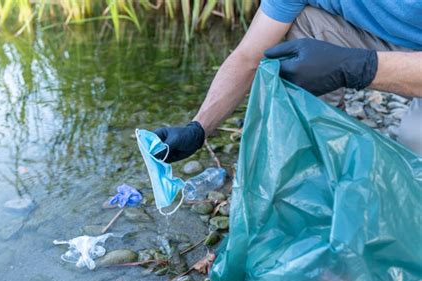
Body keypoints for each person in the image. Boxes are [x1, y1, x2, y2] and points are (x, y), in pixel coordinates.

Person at [154, 0, 422, 161]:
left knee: (414, 141)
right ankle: (326, 146)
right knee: (305, 20)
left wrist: (355, 66)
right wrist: (199, 128)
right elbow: (248, 56)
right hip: (390, 44)